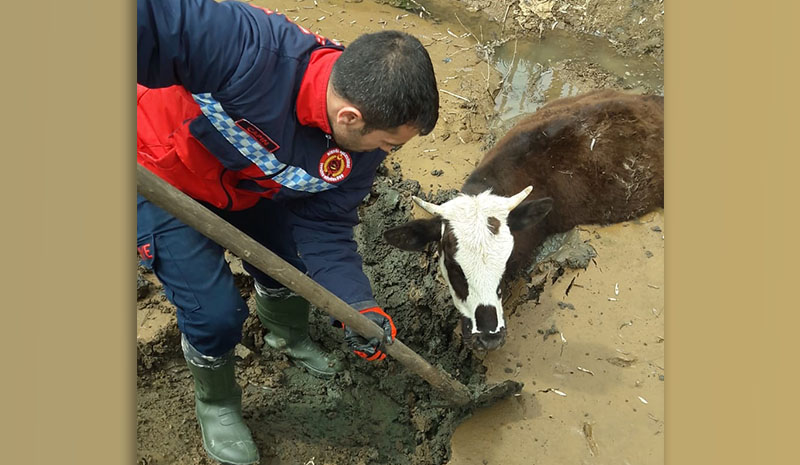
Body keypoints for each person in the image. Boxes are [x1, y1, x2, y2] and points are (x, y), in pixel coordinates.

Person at [136, 0, 439, 463]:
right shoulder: (246, 49)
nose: (388, 153)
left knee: (292, 262)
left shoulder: (360, 147)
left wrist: (357, 304)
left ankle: (286, 335)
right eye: (389, 143)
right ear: (351, 117)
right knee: (215, 317)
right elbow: (147, 19)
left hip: (248, 183)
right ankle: (216, 402)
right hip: (160, 176)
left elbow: (326, 223)